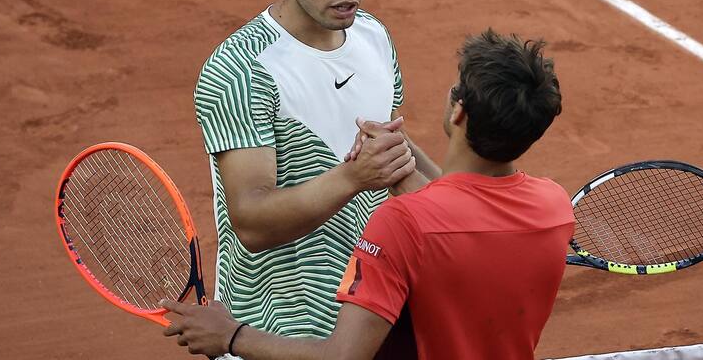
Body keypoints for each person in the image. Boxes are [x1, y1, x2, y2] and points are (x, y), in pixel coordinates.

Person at [168, 29, 574, 359]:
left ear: (458, 111)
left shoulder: (404, 224)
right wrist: (401, 156)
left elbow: (344, 356)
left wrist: (231, 335)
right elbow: (463, 211)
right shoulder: (553, 208)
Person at [192, 0, 440, 344]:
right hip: (280, 331)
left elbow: (391, 151)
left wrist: (459, 211)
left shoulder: (373, 36)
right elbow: (252, 222)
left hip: (375, 318)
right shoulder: (242, 69)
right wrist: (353, 177)